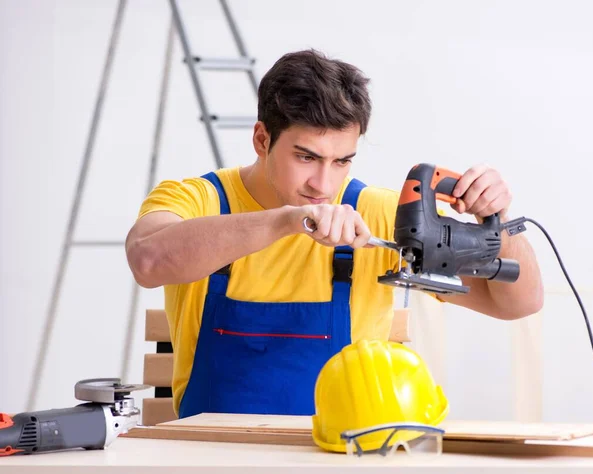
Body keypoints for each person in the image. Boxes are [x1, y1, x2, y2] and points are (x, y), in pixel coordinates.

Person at [125, 49, 544, 419]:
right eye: (307, 157)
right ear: (261, 138)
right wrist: (287, 220)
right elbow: (147, 260)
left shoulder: (376, 215)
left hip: (341, 456)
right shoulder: (199, 200)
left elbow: (518, 304)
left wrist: (500, 222)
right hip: (215, 455)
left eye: (342, 161)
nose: (323, 185)